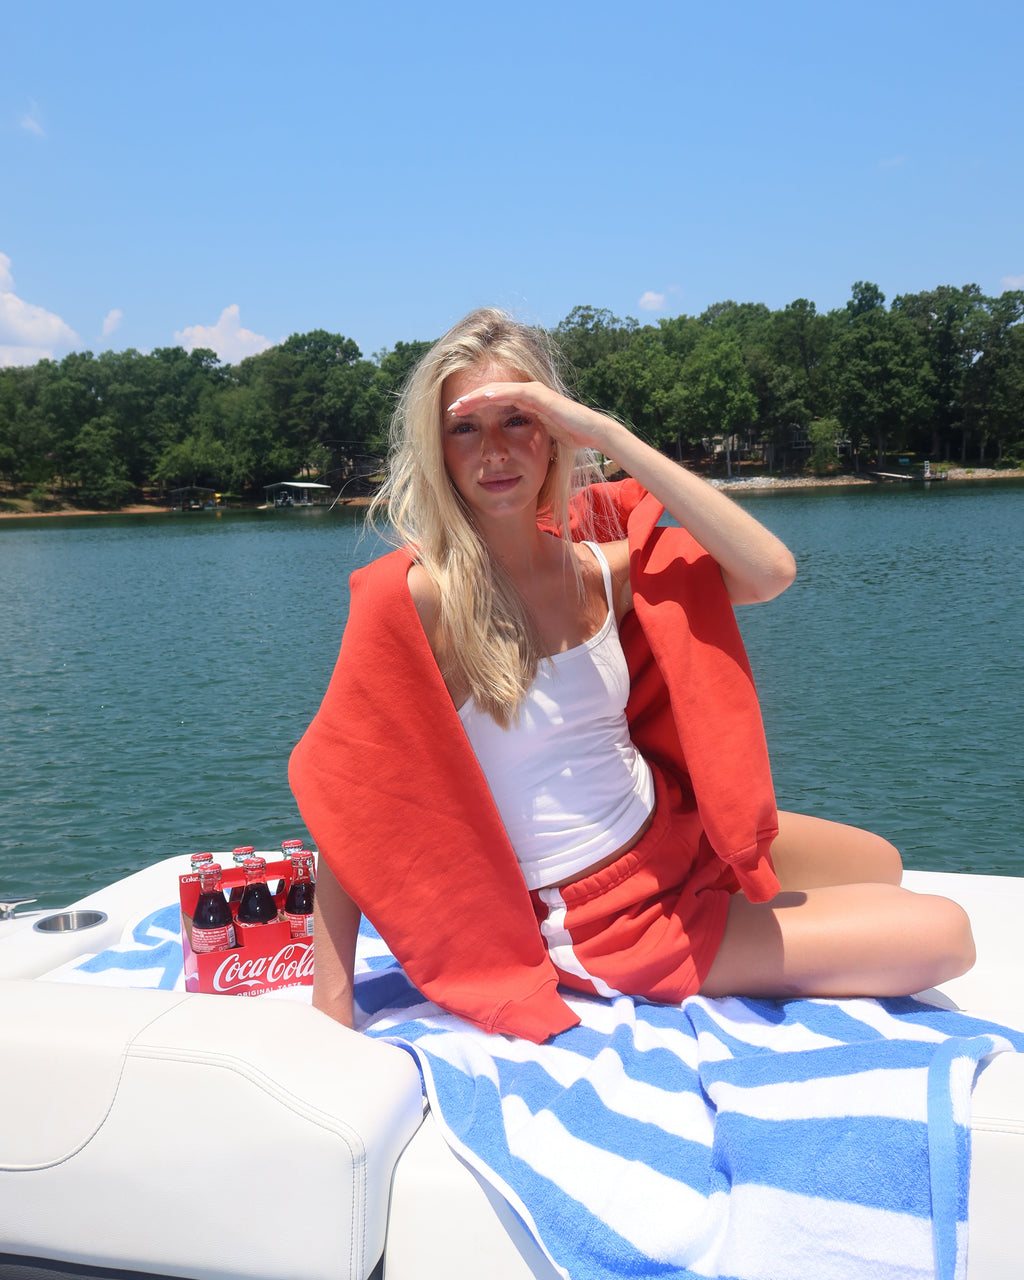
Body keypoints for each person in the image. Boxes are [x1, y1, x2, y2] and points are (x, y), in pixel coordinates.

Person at [289, 308, 975, 1040]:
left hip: (675, 834)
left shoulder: (595, 570)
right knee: (948, 935)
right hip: (604, 914)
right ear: (438, 447)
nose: (495, 451)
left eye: (518, 419)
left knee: (881, 862)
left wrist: (610, 437)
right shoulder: (421, 596)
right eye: (466, 428)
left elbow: (769, 571)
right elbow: (349, 800)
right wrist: (332, 1015)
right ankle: (683, 950)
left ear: (555, 432)